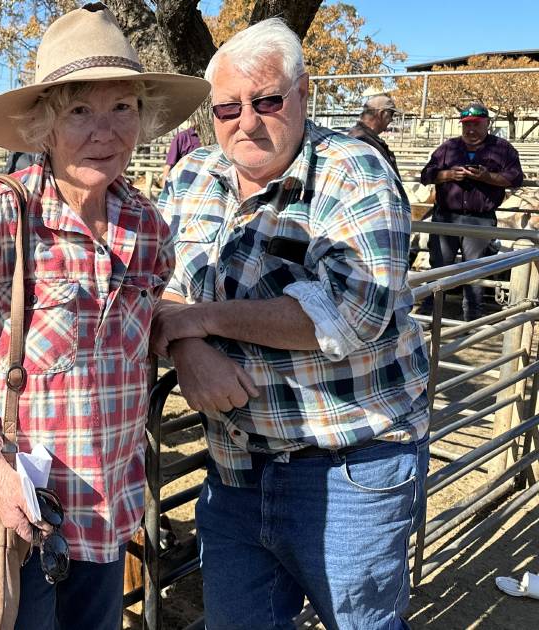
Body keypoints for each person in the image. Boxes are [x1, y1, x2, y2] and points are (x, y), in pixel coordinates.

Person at [0, 4, 208, 628]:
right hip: (17, 514)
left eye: (122, 108)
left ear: (144, 119)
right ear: (44, 125)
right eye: (79, 111)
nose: (105, 130)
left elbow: (144, 320)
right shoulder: (1, 216)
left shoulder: (147, 226)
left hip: (110, 508)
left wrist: (188, 339)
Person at [153, 19, 430, 630]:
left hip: (349, 464)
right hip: (234, 465)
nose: (246, 121)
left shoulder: (352, 172)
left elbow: (352, 311)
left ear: (303, 93)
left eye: (267, 100)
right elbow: (150, 288)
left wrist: (195, 319)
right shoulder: (191, 177)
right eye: (227, 107)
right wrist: (189, 349)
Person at [420, 101, 522, 320]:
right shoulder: (448, 147)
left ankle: (472, 317)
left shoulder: (502, 149)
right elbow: (426, 174)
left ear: (488, 123)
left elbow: (515, 179)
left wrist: (487, 177)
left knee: (475, 270)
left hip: (480, 219)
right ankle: (429, 312)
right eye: (466, 125)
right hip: (446, 217)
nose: (471, 130)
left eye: (476, 124)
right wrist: (448, 175)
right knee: (439, 265)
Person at [348, 93, 400, 176]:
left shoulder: (360, 137)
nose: (391, 120)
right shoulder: (363, 141)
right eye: (391, 114)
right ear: (381, 114)